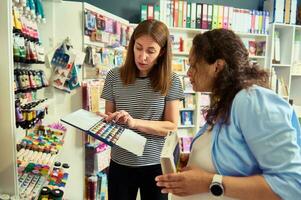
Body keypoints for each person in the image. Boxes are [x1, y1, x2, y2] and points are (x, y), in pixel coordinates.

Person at [155, 28, 301, 200]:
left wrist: (209, 182)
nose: (188, 73)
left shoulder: (250, 100)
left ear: (217, 66)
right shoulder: (226, 102)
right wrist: (194, 159)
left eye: (193, 65)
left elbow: (292, 185)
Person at [100, 19, 184, 200]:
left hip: (155, 166)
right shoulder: (114, 76)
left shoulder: (171, 80)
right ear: (131, 46)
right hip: (120, 163)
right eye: (138, 48)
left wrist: (134, 123)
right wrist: (103, 121)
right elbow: (109, 118)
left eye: (150, 51)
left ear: (162, 52)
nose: (142, 56)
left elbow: (171, 126)